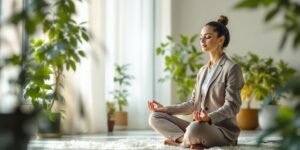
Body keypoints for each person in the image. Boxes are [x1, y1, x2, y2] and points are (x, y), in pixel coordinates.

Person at [148, 15, 244, 149]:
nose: (202, 41)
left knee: (195, 128)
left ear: (221, 40)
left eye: (208, 37)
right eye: (201, 37)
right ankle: (188, 141)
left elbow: (232, 106)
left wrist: (209, 118)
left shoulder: (232, 68)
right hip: (199, 125)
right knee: (155, 117)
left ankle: (184, 141)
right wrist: (166, 109)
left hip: (221, 131)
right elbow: (193, 103)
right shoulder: (202, 71)